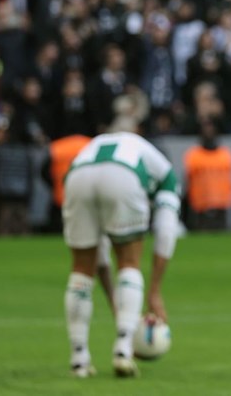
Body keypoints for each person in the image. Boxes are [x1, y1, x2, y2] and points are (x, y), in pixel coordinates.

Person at [61, 128, 181, 379]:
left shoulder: (104, 144)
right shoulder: (167, 176)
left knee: (81, 269)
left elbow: (99, 255)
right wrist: (154, 292)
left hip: (76, 175)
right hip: (124, 175)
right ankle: (124, 350)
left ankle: (79, 359)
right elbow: (166, 231)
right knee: (129, 262)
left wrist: (117, 304)